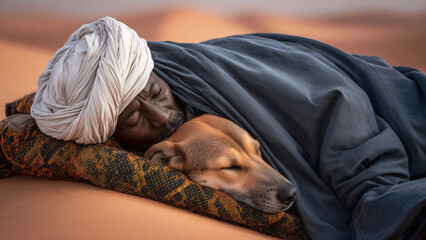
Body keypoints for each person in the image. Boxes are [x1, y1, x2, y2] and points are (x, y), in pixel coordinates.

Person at [30, 17, 426, 240]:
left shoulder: (215, 72)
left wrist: (372, 191)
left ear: (154, 70)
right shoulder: (136, 137)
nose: (164, 117)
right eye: (134, 120)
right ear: (112, 135)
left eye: (155, 91)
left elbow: (333, 99)